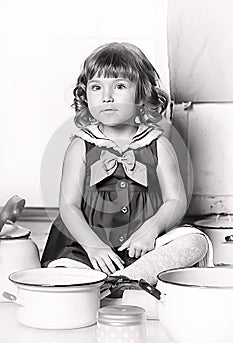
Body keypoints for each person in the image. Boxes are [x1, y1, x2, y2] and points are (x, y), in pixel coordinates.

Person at [41, 42, 210, 287]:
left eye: (119, 86)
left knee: (195, 242)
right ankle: (103, 279)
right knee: (63, 270)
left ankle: (126, 278)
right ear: (85, 95)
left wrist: (153, 228)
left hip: (143, 248)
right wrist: (93, 246)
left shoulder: (158, 144)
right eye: (96, 87)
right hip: (90, 248)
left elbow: (176, 199)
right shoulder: (81, 146)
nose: (106, 97)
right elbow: (68, 205)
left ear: (141, 94)